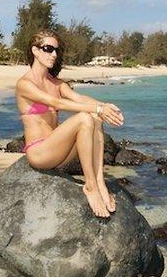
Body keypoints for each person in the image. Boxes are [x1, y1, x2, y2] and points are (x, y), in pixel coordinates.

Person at [16, 29, 124, 218]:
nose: (54, 55)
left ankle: (99, 182)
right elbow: (57, 103)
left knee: (95, 118)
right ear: (35, 50)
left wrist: (103, 106)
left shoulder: (55, 83)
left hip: (60, 153)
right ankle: (89, 186)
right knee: (85, 117)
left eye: (56, 50)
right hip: (40, 153)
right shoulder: (25, 84)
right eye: (48, 49)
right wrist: (97, 109)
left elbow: (79, 97)